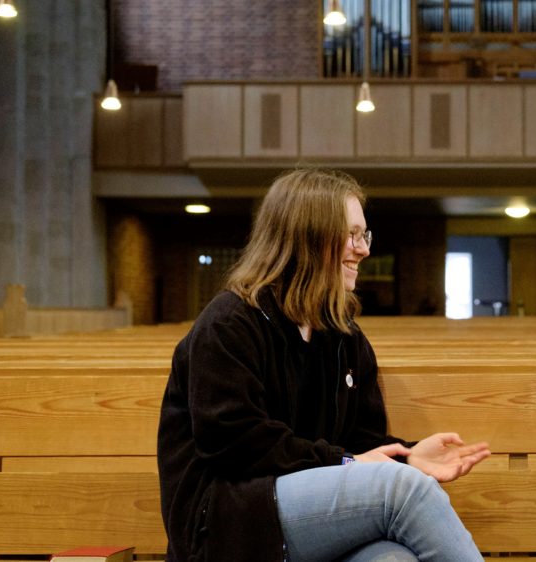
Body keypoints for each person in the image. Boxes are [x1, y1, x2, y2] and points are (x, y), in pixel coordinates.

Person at [157, 168, 491, 562]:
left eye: (364, 235)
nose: (363, 249)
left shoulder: (343, 337)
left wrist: (406, 455)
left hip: (314, 521)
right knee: (403, 489)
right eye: (351, 235)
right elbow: (233, 443)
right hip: (230, 524)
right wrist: (349, 463)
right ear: (306, 237)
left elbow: (358, 442)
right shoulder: (230, 323)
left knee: (393, 560)